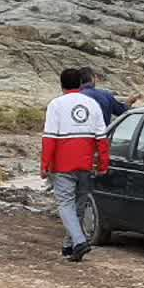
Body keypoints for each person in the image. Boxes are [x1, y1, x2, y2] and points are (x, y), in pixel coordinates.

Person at [42, 66, 111, 262]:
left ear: (61, 84)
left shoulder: (56, 105)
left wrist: (45, 165)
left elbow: (50, 138)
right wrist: (103, 163)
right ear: (81, 84)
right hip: (86, 163)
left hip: (63, 165)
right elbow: (102, 138)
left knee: (65, 204)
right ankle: (69, 245)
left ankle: (79, 241)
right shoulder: (91, 104)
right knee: (79, 204)